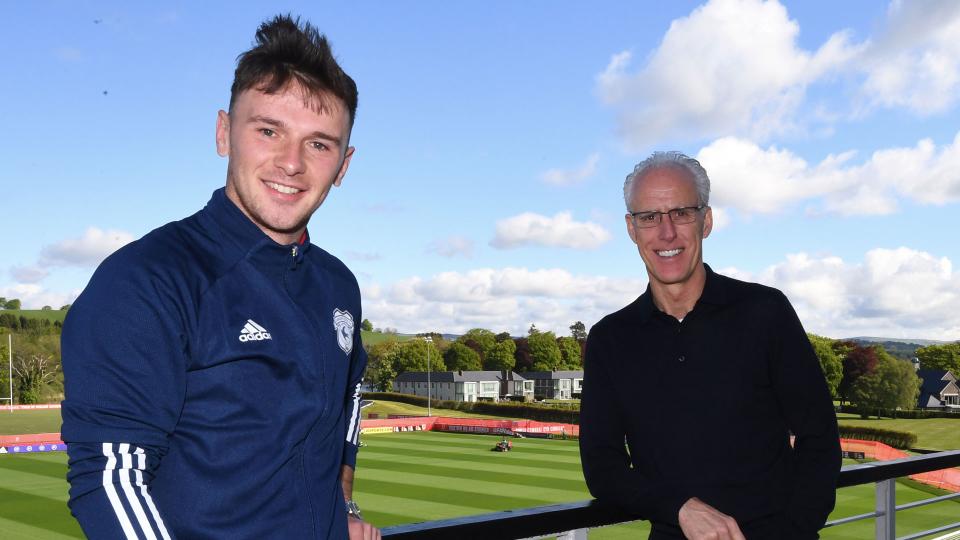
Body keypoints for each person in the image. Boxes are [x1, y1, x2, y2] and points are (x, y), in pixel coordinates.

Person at [61, 15, 379, 540]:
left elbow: (348, 402)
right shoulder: (148, 280)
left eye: (319, 144)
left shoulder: (339, 284)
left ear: (342, 166)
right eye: (269, 131)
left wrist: (341, 505)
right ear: (223, 133)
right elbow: (108, 480)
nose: (291, 163)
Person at [579, 152, 840, 539]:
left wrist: (790, 531)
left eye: (681, 212)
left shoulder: (765, 312)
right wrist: (678, 508)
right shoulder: (610, 339)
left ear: (707, 221)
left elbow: (819, 440)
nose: (666, 233)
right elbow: (603, 468)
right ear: (632, 229)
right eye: (649, 217)